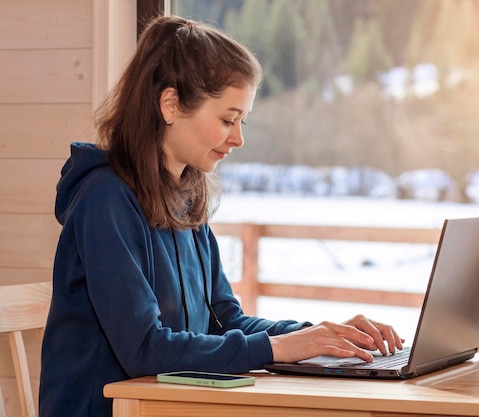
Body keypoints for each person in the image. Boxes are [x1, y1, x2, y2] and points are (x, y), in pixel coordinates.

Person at [39, 15, 403, 417]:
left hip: (167, 406)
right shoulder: (104, 200)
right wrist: (277, 348)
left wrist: (318, 336)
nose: (239, 138)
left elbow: (223, 319)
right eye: (228, 120)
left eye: (241, 121)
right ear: (171, 105)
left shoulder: (184, 199)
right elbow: (144, 348)